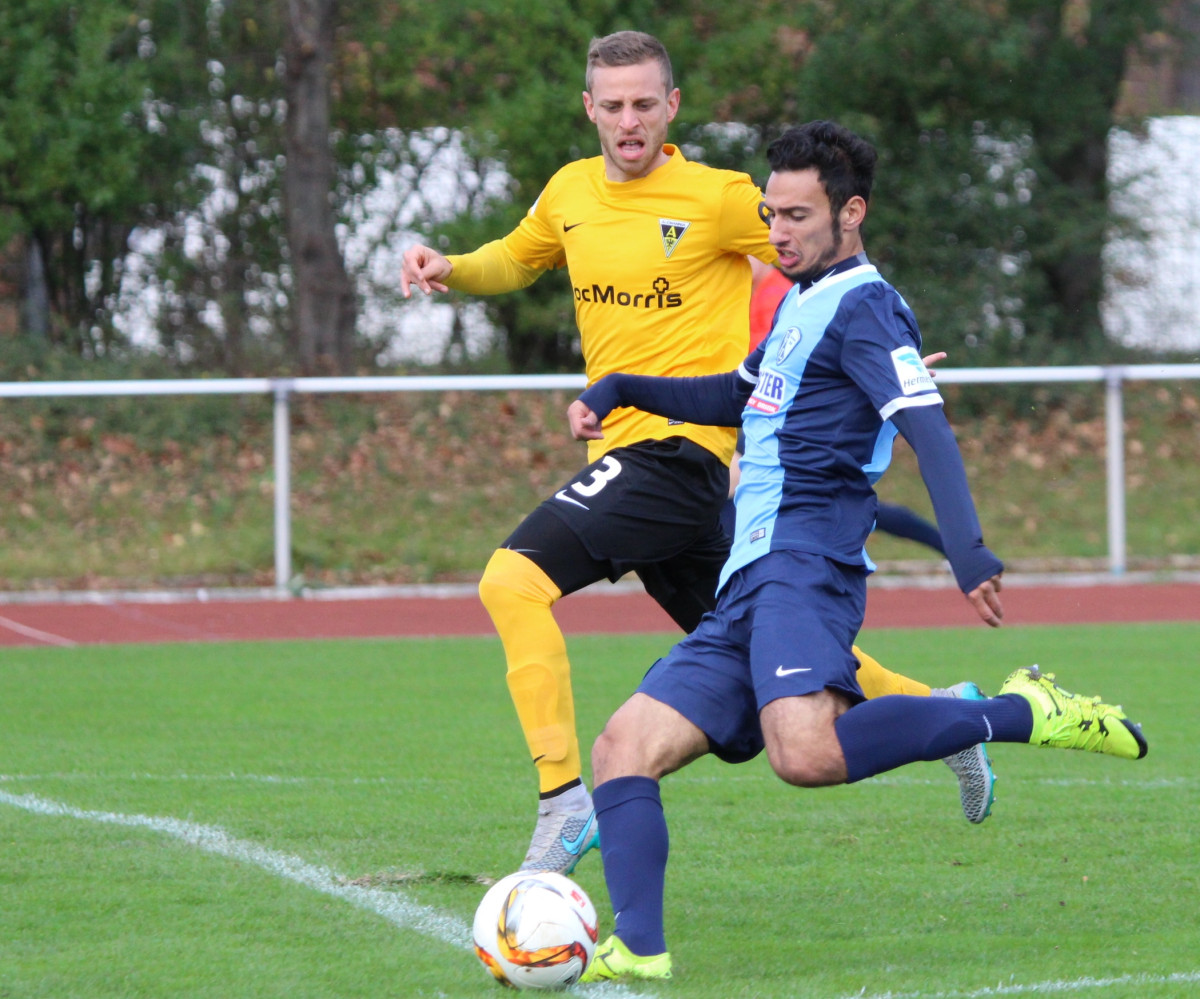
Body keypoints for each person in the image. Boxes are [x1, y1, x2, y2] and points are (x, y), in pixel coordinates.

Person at [566, 120, 1148, 984]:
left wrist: (967, 550)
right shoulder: (799, 301)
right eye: (771, 214)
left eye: (798, 215)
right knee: (622, 746)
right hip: (745, 580)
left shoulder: (866, 305)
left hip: (808, 568)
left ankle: (1017, 711)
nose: (778, 232)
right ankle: (639, 949)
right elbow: (735, 393)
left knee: (804, 753)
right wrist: (620, 387)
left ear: (852, 212)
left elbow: (928, 428)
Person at [400, 32, 991, 877]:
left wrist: (876, 353)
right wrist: (449, 266)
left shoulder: (717, 198)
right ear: (589, 109)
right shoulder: (570, 191)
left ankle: (564, 799)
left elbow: (826, 243)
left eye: (645, 103)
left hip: (679, 457)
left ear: (671, 106)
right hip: (668, 480)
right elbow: (515, 259)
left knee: (512, 579)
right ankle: (947, 712)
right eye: (613, 105)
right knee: (773, 646)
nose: (629, 121)